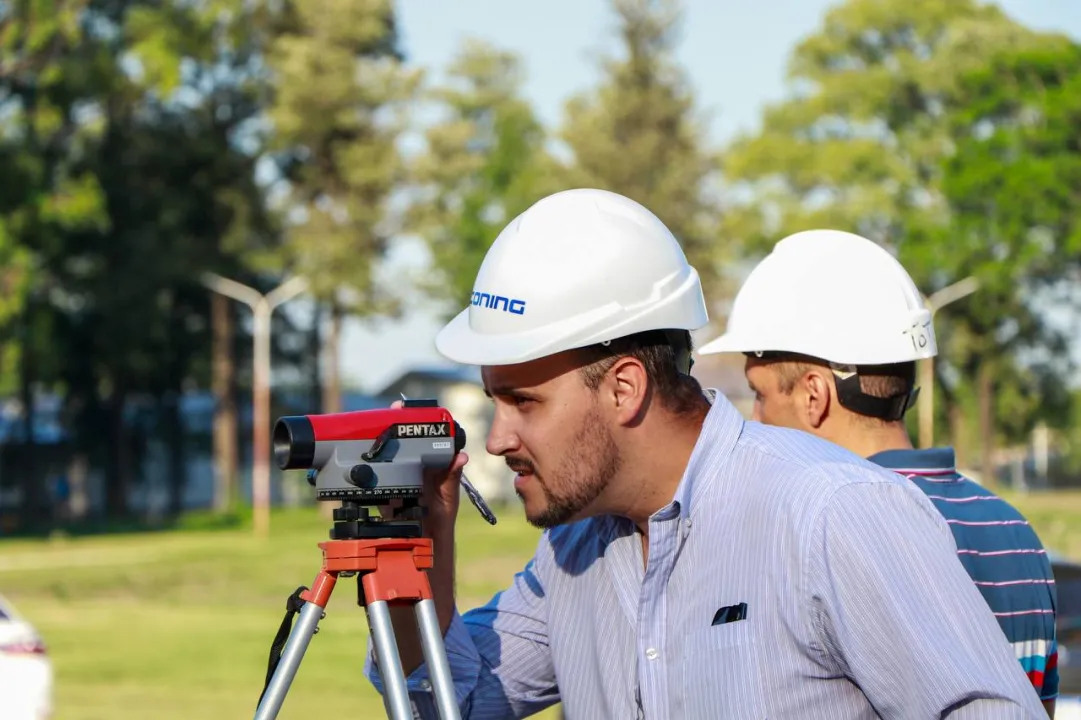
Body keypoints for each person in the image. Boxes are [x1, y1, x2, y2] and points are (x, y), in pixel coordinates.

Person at [364, 188, 1047, 719]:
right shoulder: (574, 552)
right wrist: (417, 545)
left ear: (624, 387)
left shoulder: (830, 513)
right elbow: (449, 701)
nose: (496, 440)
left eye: (524, 402)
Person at [697, 228, 1059, 717]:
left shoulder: (826, 536)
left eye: (759, 395)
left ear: (814, 396)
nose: (754, 420)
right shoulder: (1014, 530)